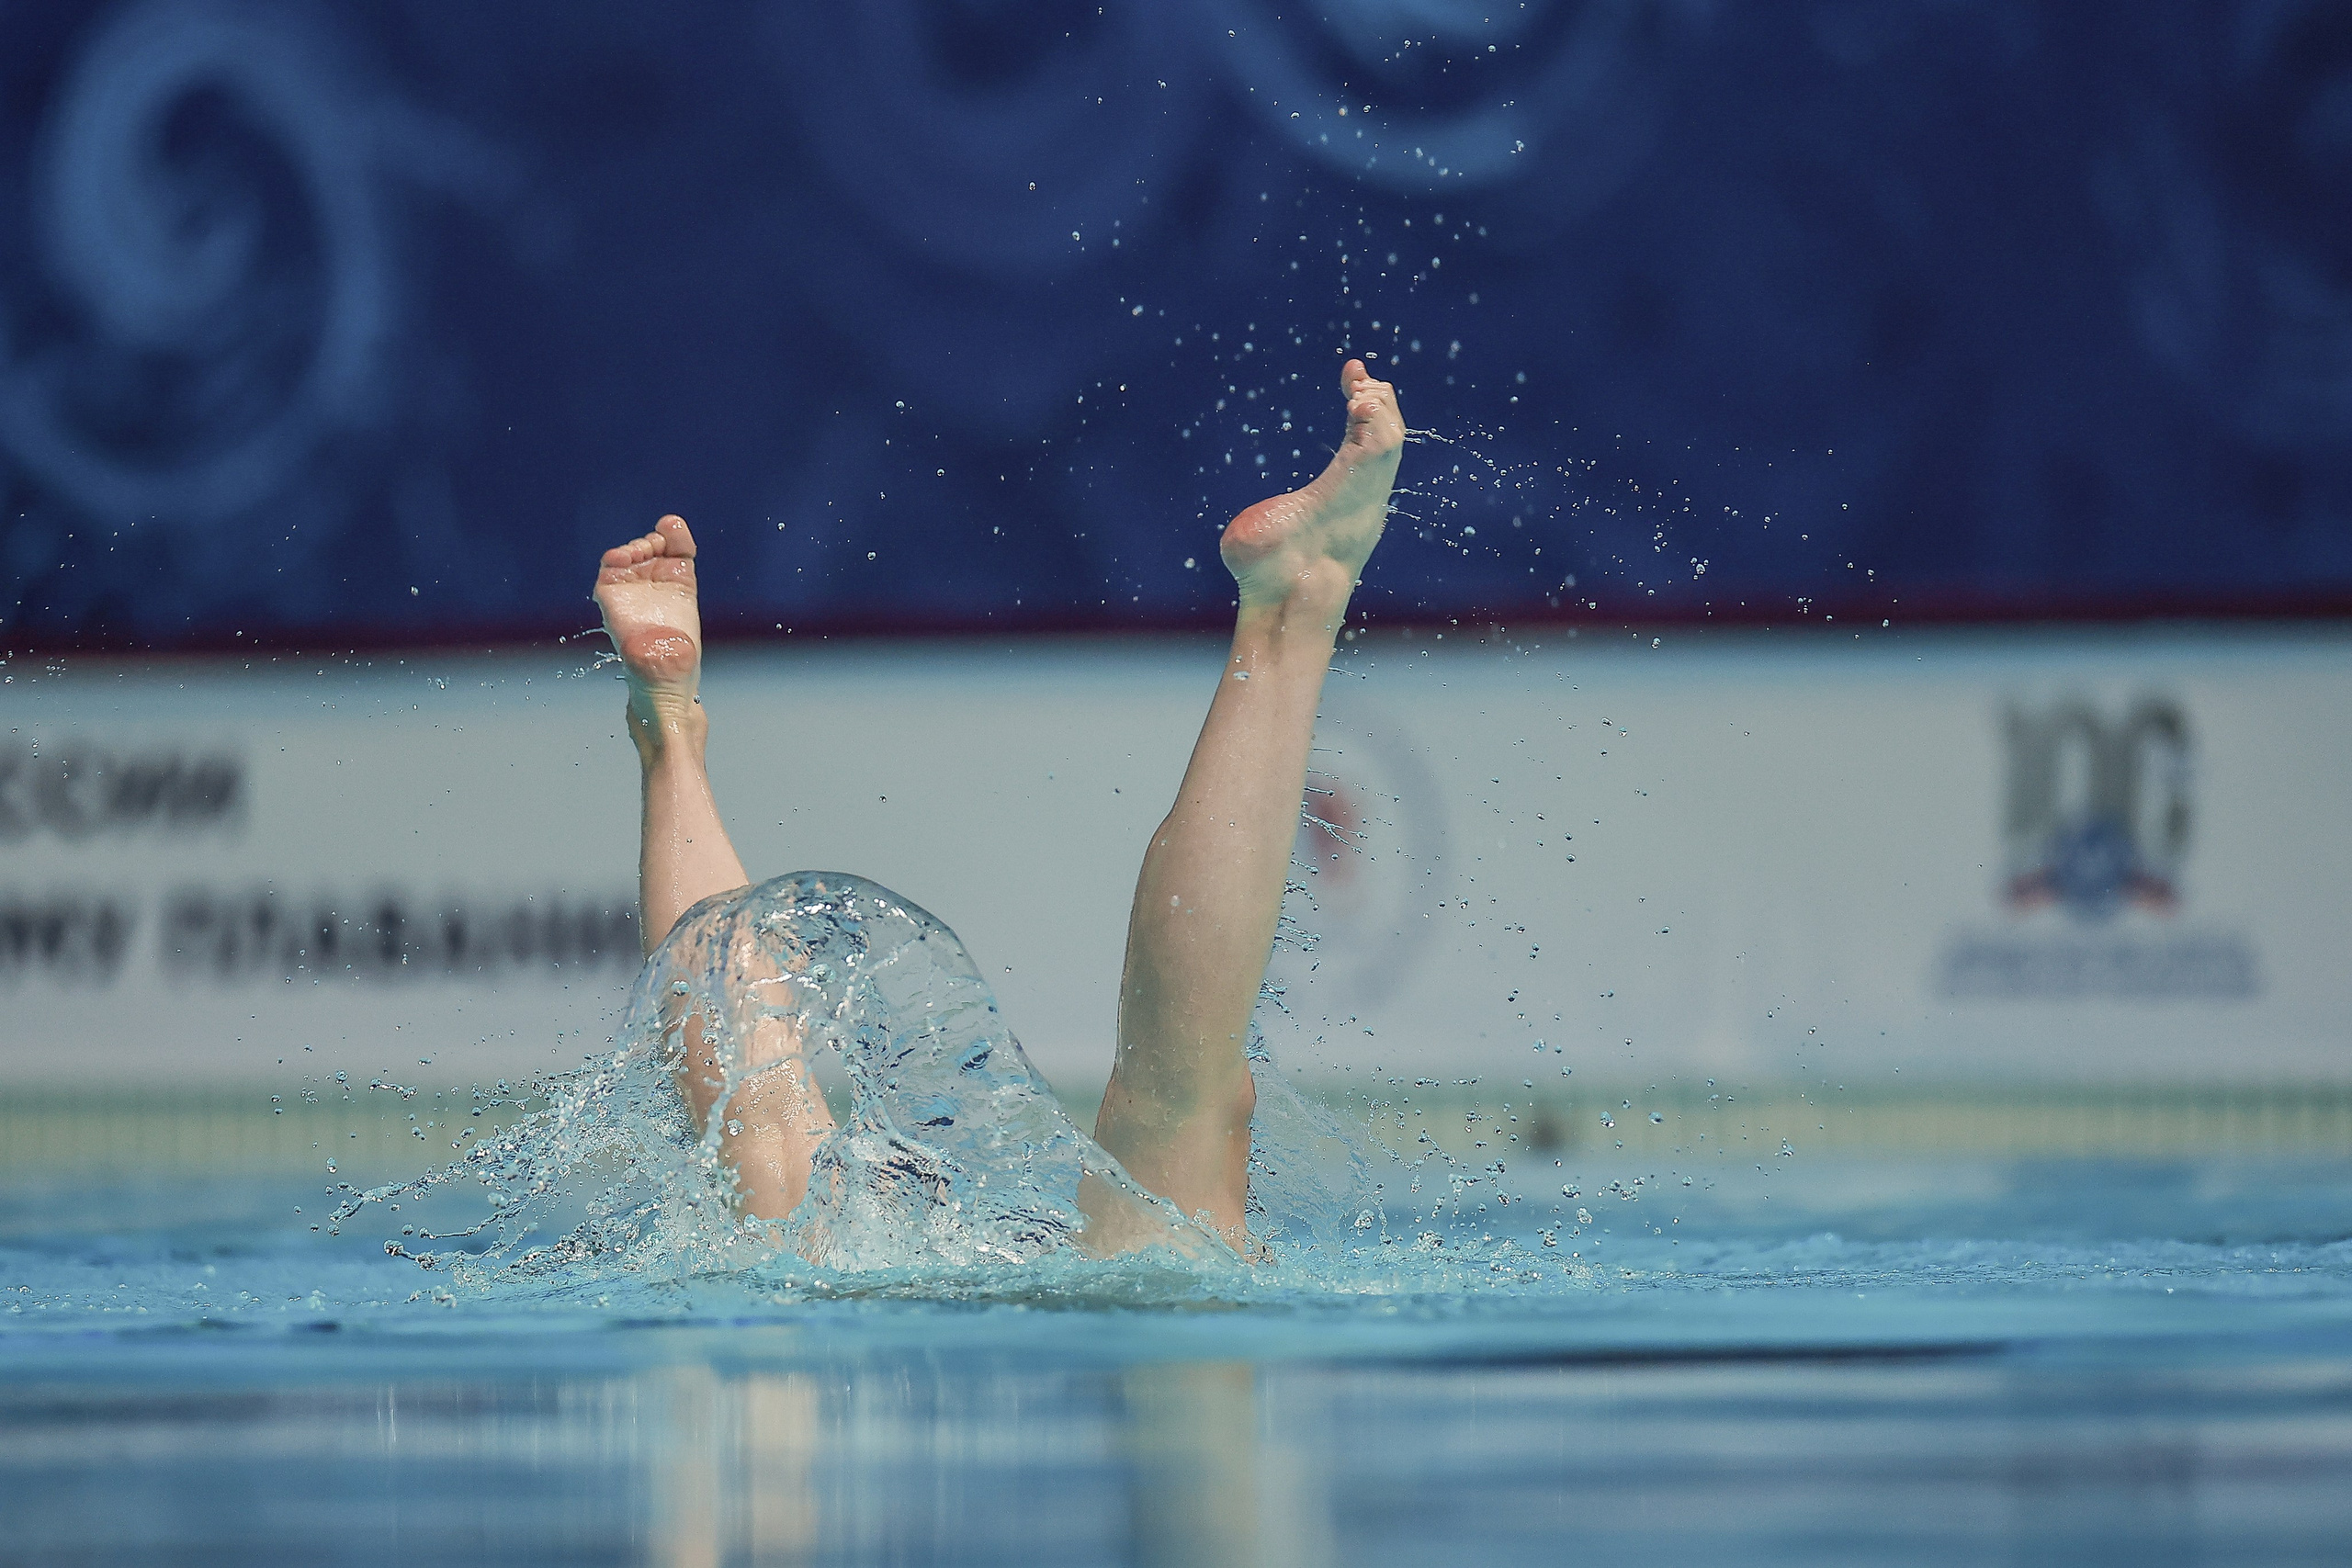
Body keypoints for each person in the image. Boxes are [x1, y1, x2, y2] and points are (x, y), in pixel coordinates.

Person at [592, 358, 1403, 1248]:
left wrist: (666, 726)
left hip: (872, 1302)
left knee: (772, 1152)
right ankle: (1293, 607)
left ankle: (669, 736)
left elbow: (725, 1049)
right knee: (1176, 1117)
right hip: (1063, 1305)